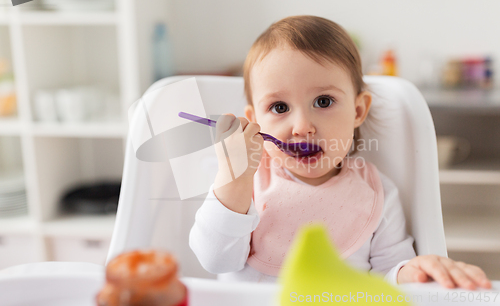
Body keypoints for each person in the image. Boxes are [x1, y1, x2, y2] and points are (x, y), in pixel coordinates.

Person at [189, 15, 492, 290]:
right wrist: (235, 180)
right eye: (279, 107)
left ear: (358, 110)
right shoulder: (241, 186)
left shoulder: (377, 193)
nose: (302, 127)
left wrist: (410, 270)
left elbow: (386, 276)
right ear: (255, 121)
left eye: (323, 102)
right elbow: (215, 260)